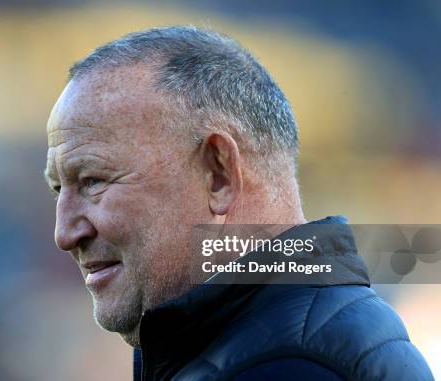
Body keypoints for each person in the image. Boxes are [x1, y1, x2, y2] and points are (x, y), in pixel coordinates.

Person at [44, 26, 433, 380]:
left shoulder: (291, 366)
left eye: (93, 181)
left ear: (218, 174)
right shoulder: (283, 342)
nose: (65, 233)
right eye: (59, 189)